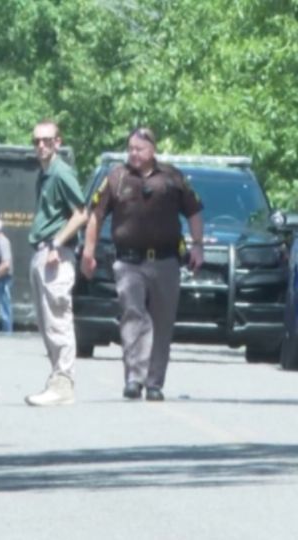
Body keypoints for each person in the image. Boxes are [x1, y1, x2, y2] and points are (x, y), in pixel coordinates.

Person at [81, 127, 204, 402]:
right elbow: (95, 216)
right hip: (128, 262)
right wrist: (88, 252)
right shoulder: (117, 177)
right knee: (132, 316)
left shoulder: (172, 177)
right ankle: (134, 379)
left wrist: (198, 246)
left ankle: (155, 382)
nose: (134, 154)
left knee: (162, 323)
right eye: (131, 148)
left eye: (140, 149)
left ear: (153, 150)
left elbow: (195, 211)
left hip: (165, 262)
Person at [24, 119, 90, 406]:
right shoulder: (44, 174)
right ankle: (56, 380)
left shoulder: (62, 173)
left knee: (58, 320)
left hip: (56, 256)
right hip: (41, 252)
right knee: (45, 321)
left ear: (58, 142)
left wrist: (57, 242)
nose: (41, 146)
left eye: (47, 140)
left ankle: (64, 383)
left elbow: (81, 213)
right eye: (37, 141)